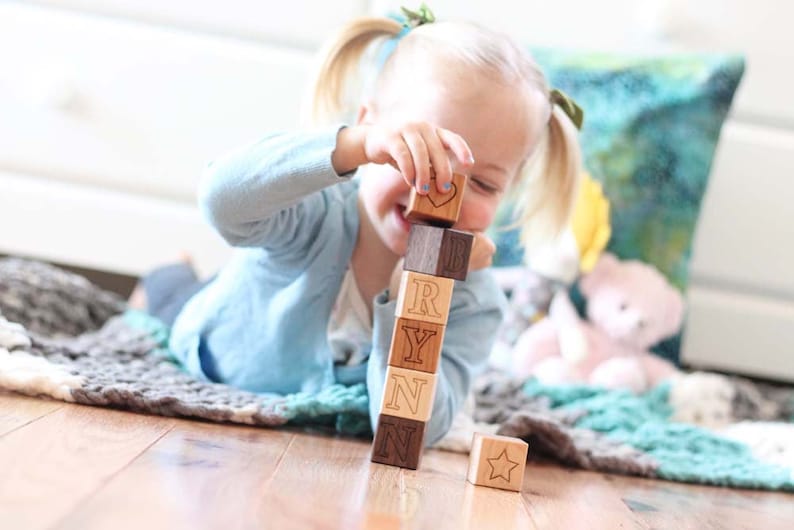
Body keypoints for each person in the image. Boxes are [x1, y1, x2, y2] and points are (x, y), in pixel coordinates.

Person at [130, 7, 583, 445]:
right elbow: (221, 199)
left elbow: (411, 429)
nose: (442, 191)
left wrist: (421, 291)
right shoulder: (313, 213)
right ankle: (171, 271)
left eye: (482, 183)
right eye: (418, 153)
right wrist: (350, 146)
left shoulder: (474, 300)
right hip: (217, 340)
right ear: (372, 130)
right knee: (170, 296)